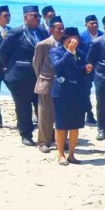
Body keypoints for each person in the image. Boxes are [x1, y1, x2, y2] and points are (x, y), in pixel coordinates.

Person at [0, 5, 49, 146]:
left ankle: (46, 134)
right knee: (23, 107)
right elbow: (2, 52)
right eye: (35, 16)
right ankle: (26, 134)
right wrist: (13, 65)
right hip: (20, 77)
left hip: (39, 77)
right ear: (25, 17)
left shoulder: (42, 32)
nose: (38, 18)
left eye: (39, 16)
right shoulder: (16, 32)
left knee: (42, 106)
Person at [49, 27, 89, 165]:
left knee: (75, 125)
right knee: (61, 125)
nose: (74, 41)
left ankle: (72, 154)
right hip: (61, 92)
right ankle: (60, 154)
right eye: (71, 39)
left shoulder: (81, 53)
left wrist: (86, 70)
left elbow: (79, 71)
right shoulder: (55, 51)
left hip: (77, 92)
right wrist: (68, 52)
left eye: (76, 39)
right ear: (64, 40)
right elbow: (58, 67)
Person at [32, 15, 64, 153]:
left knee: (61, 113)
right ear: (51, 30)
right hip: (46, 82)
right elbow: (36, 64)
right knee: (45, 114)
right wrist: (43, 78)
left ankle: (60, 140)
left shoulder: (65, 43)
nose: (62, 31)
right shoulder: (43, 44)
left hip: (62, 84)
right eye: (59, 29)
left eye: (63, 28)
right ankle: (43, 142)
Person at [79, 15, 102, 126]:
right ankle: (89, 113)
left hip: (100, 69)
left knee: (101, 93)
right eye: (91, 23)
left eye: (96, 23)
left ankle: (102, 115)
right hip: (86, 69)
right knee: (85, 92)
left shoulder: (103, 35)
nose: (94, 25)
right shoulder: (81, 37)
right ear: (86, 25)